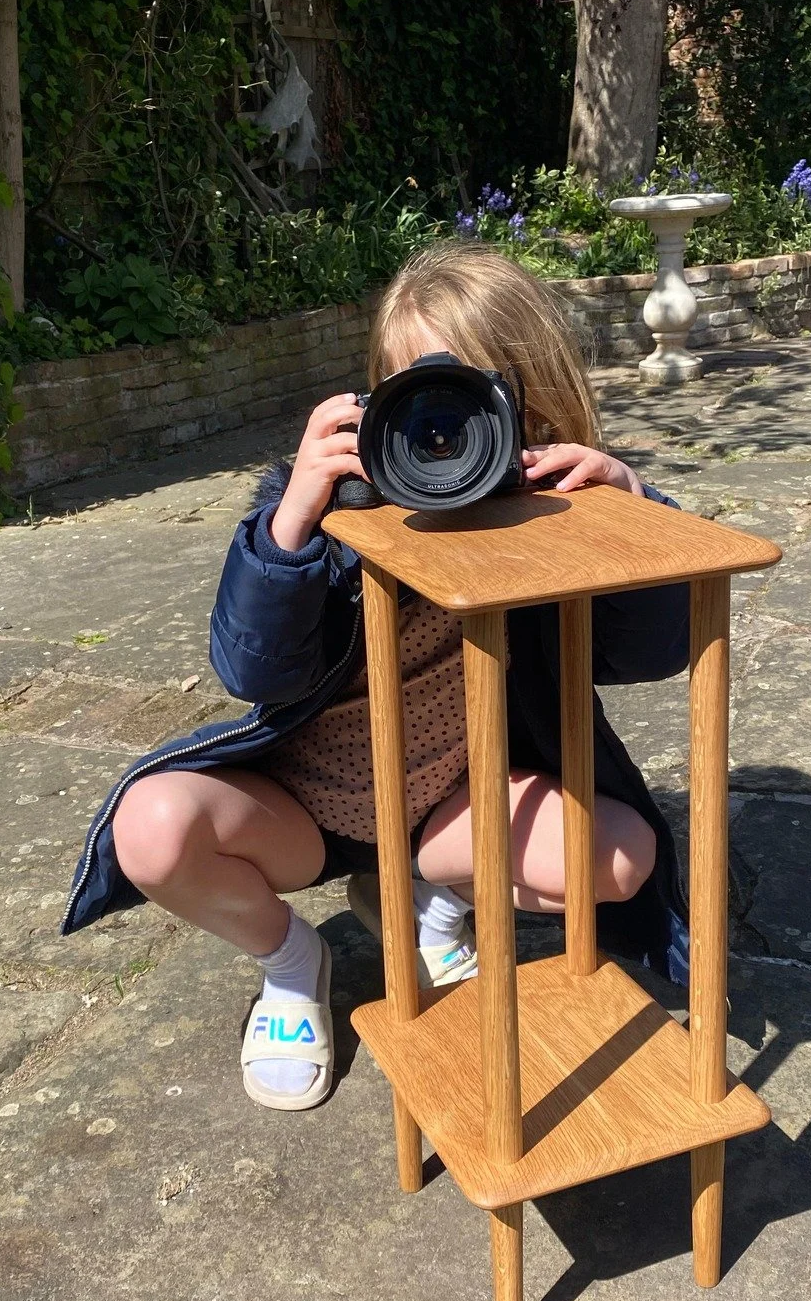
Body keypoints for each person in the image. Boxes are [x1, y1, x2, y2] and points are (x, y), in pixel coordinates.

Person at [60, 241, 693, 1111]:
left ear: (533, 406)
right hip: (301, 812)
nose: (444, 434)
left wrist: (630, 512)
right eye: (418, 401)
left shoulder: (547, 513)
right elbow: (253, 670)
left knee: (623, 856)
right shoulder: (336, 511)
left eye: (476, 401)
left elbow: (653, 652)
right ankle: (291, 964)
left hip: (447, 812)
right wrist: (291, 525)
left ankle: (434, 906)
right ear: (375, 402)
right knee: (154, 829)